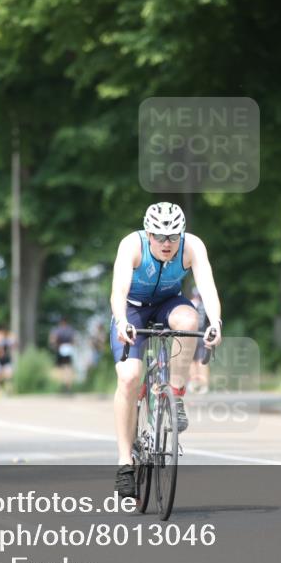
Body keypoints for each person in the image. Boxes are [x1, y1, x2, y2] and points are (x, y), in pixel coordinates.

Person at [110, 202, 222, 497]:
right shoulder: (131, 245)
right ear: (148, 233)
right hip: (132, 310)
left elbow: (207, 287)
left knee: (189, 320)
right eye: (159, 236)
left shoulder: (192, 246)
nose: (167, 243)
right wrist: (121, 322)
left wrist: (216, 323)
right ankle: (124, 464)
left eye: (173, 236)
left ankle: (175, 393)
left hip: (169, 304)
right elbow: (118, 290)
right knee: (129, 377)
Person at [187, 287, 210, 393]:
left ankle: (193, 383)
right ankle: (204, 385)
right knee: (202, 361)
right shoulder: (206, 306)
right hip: (203, 334)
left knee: (192, 361)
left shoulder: (190, 304)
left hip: (192, 335)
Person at [49, 317, 77, 392]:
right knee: (68, 368)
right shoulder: (70, 330)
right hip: (69, 349)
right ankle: (68, 386)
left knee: (61, 368)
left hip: (61, 349)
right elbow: (74, 340)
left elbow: (53, 339)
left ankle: (63, 385)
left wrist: (54, 346)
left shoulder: (58, 330)